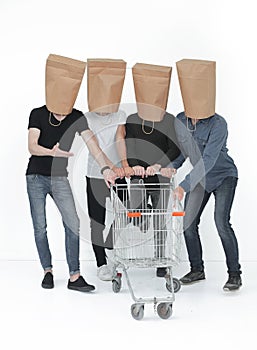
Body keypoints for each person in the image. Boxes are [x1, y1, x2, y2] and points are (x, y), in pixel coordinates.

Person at [26, 54, 116, 291]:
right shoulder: (37, 113)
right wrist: (52, 153)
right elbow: (32, 146)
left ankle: (74, 277)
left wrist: (106, 168)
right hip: (35, 177)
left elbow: (93, 145)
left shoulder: (77, 117)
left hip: (58, 178)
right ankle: (48, 270)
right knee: (40, 226)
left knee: (73, 223)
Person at [161, 59, 242, 291]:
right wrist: (172, 166)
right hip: (199, 179)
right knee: (188, 224)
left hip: (223, 175)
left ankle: (234, 274)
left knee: (221, 222)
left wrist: (183, 186)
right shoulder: (180, 120)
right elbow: (183, 152)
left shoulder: (219, 124)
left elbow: (207, 159)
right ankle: (197, 269)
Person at [117, 63, 181, 278]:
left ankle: (160, 260)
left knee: (160, 220)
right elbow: (130, 144)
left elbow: (174, 147)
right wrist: (135, 166)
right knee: (137, 210)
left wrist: (158, 166)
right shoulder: (132, 119)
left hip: (160, 177)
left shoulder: (169, 119)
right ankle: (140, 221)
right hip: (137, 176)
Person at [85, 59, 128, 281]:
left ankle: (110, 241)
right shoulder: (87, 117)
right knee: (96, 221)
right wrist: (109, 168)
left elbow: (120, 138)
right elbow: (95, 148)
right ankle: (101, 263)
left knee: (131, 209)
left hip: (118, 173)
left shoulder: (119, 114)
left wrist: (124, 164)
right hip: (95, 174)